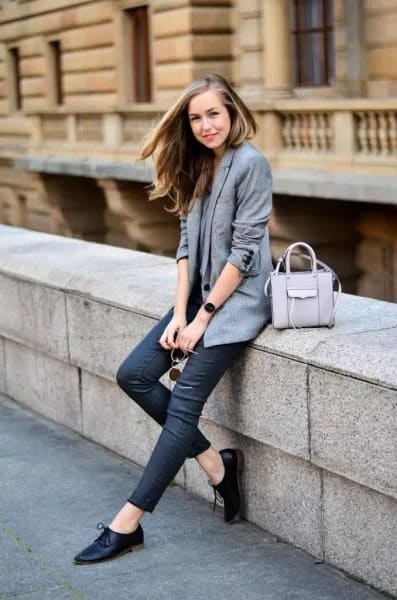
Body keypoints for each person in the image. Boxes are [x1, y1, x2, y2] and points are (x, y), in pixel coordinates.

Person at [74, 73, 273, 565]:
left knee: (182, 406)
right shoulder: (199, 165)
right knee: (135, 374)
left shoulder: (252, 164)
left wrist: (202, 319)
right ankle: (215, 465)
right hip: (202, 299)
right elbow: (186, 248)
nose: (206, 125)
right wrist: (180, 312)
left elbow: (245, 253)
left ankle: (127, 524)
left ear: (233, 113)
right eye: (196, 117)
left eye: (214, 114)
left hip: (238, 302)